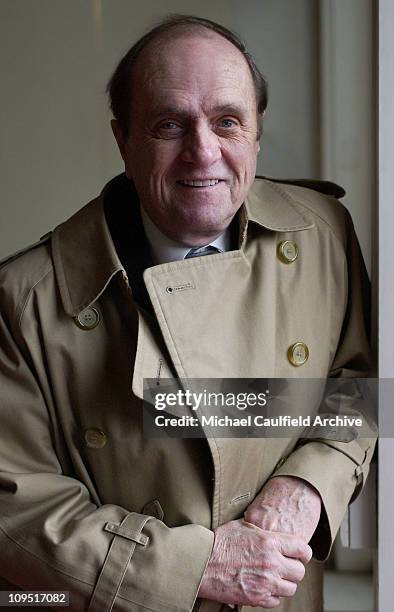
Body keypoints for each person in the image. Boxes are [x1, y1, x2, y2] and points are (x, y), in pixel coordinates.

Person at [0, 14, 375, 612]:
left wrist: (307, 485)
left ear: (257, 133)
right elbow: (16, 506)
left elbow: (357, 389)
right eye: (170, 125)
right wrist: (195, 569)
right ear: (123, 139)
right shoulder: (24, 299)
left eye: (227, 121)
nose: (203, 152)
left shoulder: (324, 233)